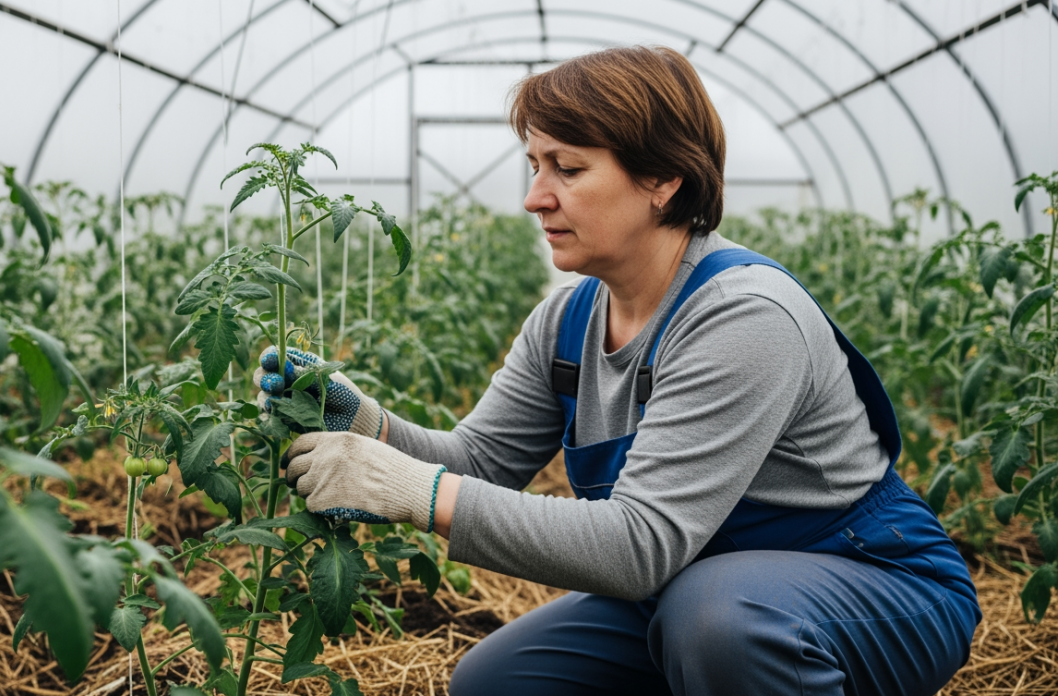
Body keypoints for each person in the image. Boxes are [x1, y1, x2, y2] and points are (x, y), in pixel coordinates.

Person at [257, 46, 980, 696]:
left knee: (717, 624)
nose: (536, 197)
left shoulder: (744, 316)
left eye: (568, 169)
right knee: (498, 682)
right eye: (535, 166)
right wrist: (364, 422)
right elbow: (478, 461)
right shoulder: (567, 322)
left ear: (663, 177)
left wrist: (413, 491)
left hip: (869, 586)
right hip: (694, 582)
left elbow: (639, 546)